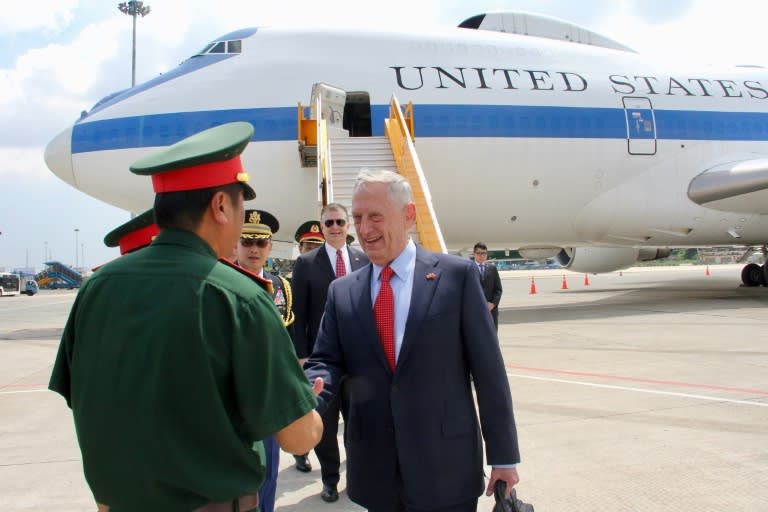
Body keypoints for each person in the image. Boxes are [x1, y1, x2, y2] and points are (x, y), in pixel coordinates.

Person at [49, 122, 323, 512]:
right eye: (240, 204)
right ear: (221, 206)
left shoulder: (96, 288)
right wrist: (307, 408)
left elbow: (86, 399)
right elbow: (298, 439)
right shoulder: (240, 298)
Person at [305, 170, 521, 512]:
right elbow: (326, 361)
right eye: (358, 218)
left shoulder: (456, 277)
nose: (363, 229)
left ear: (408, 216)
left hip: (446, 467)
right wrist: (305, 395)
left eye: (375, 216)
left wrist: (504, 455)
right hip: (375, 470)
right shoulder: (342, 291)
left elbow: (488, 372)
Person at [291, 203, 369, 502]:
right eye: (329, 223)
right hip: (322, 357)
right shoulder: (307, 263)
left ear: (347, 225)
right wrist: (301, 354)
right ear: (322, 227)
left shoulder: (363, 259)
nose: (335, 227)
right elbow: (297, 312)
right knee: (324, 422)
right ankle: (330, 479)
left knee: (358, 421)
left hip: (360, 357)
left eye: (339, 221)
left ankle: (357, 478)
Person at [235, 208, 295, 512]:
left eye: (261, 243)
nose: (254, 250)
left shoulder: (281, 287)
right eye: (247, 242)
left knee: (268, 472)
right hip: (230, 398)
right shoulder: (220, 281)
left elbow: (288, 344)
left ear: (270, 246)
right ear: (236, 244)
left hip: (268, 396)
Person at [288, 219, 325, 474]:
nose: (311, 251)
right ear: (299, 248)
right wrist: (300, 354)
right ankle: (300, 451)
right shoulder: (287, 282)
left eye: (316, 246)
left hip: (325, 350)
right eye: (307, 246)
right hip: (301, 353)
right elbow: (294, 321)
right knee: (303, 405)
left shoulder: (327, 276)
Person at [473, 242, 503, 331]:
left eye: (484, 253)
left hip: (491, 310)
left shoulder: (492, 268)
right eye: (479, 253)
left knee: (492, 337)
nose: (481, 256)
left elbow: (498, 289)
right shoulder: (469, 268)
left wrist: (493, 303)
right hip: (475, 311)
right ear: (474, 254)